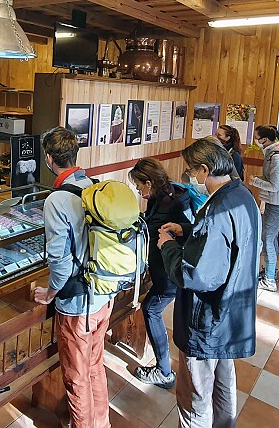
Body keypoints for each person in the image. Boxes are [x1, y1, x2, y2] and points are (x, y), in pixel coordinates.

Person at [158, 138, 260, 428]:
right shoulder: (241, 194)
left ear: (204, 170)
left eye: (191, 170)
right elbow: (226, 241)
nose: (190, 176)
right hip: (231, 313)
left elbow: (196, 275)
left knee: (196, 395)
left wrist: (168, 246)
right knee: (224, 384)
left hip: (207, 318)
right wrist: (188, 229)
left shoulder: (215, 210)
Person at [32, 127, 114, 428]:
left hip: (79, 304)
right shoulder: (94, 186)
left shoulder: (56, 200)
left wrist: (51, 292)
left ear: (49, 158)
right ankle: (101, 424)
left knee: (76, 377)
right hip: (103, 292)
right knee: (94, 366)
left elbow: (60, 261)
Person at [128, 158, 193, 390]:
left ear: (148, 183)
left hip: (169, 276)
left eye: (138, 186)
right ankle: (163, 368)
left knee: (151, 309)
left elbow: (150, 228)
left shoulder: (168, 205)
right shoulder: (168, 193)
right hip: (170, 271)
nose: (138, 191)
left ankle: (164, 371)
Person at [250, 125, 279, 293]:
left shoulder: (278, 157)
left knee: (267, 239)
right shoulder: (274, 152)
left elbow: (274, 186)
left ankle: (269, 280)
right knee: (270, 238)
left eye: (257, 138)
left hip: (278, 204)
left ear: (265, 139)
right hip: (273, 202)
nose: (255, 141)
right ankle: (270, 272)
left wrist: (255, 181)